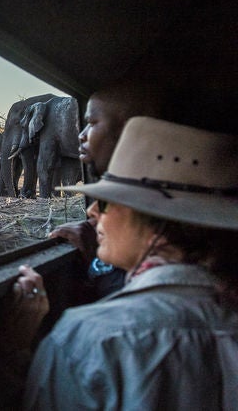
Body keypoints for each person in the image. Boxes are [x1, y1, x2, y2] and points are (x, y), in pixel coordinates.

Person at [10, 117, 238, 408]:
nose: (92, 212)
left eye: (106, 202)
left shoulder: (88, 339)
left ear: (161, 229)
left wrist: (14, 352)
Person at [50, 81, 170, 300]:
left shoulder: (156, 196)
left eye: (92, 123)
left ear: (128, 131)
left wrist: (98, 258)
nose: (82, 135)